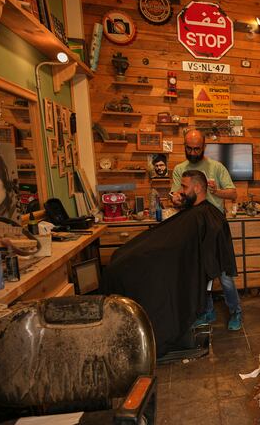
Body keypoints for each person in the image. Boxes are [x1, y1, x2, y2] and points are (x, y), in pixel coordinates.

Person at [103, 169, 238, 356]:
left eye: (184, 187)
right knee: (122, 256)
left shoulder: (207, 215)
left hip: (169, 258)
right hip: (170, 254)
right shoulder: (196, 212)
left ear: (198, 187)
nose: (181, 191)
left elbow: (195, 249)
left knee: (124, 267)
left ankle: (235, 312)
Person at [170, 130, 242, 330]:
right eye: (188, 148)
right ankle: (208, 311)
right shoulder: (179, 169)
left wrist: (215, 191)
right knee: (203, 275)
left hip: (215, 227)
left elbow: (233, 193)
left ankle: (236, 311)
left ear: (204, 147)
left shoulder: (216, 167)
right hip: (193, 227)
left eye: (197, 148)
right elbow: (177, 194)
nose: (192, 152)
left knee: (225, 277)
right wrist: (175, 198)